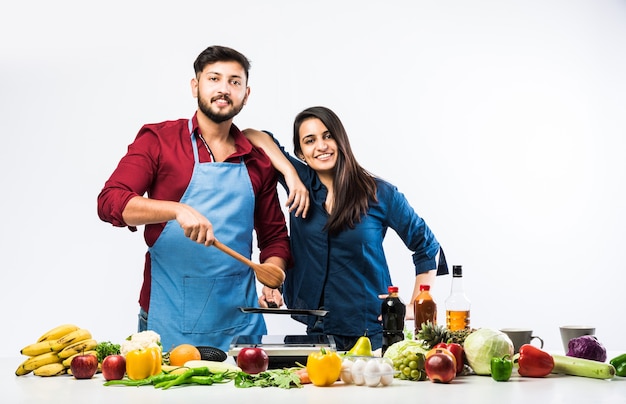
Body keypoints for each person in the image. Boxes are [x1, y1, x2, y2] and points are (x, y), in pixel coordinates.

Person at [97, 45, 291, 352]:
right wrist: (175, 210)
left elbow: (275, 238)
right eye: (214, 78)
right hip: (168, 318)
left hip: (241, 324)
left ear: (246, 93)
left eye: (234, 82)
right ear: (195, 85)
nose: (224, 89)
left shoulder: (257, 161)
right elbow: (111, 202)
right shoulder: (159, 141)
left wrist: (271, 274)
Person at [244, 106, 447, 351]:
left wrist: (416, 303)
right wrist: (289, 173)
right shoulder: (300, 184)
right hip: (319, 330)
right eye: (310, 141)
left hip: (371, 330)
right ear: (301, 152)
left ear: (341, 140)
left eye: (328, 136)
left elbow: (427, 246)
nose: (321, 146)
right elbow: (251, 135)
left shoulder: (380, 193)